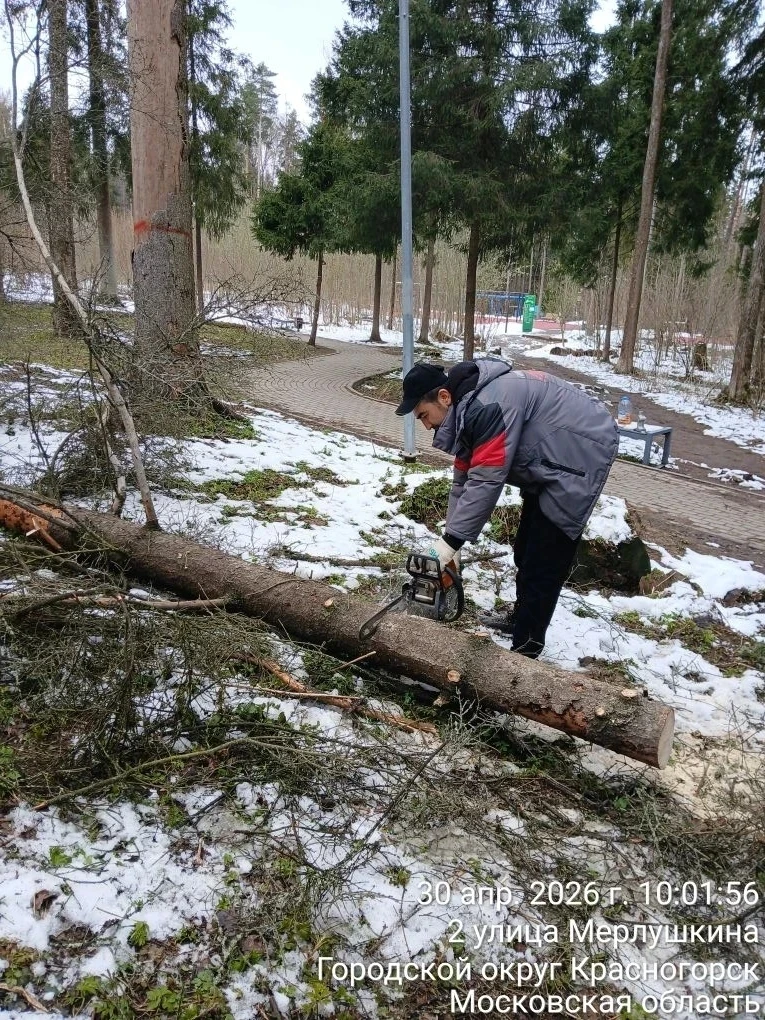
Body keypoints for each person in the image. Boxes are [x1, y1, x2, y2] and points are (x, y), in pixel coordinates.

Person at [395, 358, 618, 658]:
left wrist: (451, 542)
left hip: (580, 453)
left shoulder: (487, 407)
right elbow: (463, 483)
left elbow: (487, 480)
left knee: (544, 561)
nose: (425, 425)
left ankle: (526, 649)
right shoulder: (467, 409)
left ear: (444, 397)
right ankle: (521, 621)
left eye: (424, 415)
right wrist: (451, 544)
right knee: (525, 549)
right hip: (549, 458)